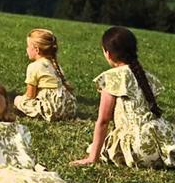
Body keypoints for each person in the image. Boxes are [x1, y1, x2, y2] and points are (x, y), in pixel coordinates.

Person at [71, 26, 175, 168]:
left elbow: (103, 120)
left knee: (99, 148)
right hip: (161, 139)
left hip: (138, 147)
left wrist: (92, 157)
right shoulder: (145, 75)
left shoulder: (112, 77)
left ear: (108, 53)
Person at [14, 28, 77, 121]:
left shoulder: (34, 67)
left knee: (18, 100)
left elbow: (30, 95)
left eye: (28, 46)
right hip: (68, 109)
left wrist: (20, 100)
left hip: (52, 109)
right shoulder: (55, 64)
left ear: (36, 49)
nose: (26, 49)